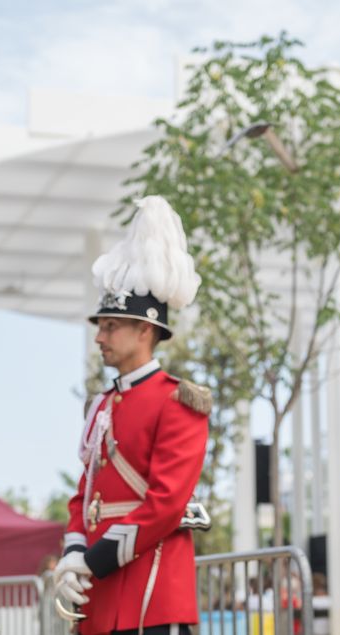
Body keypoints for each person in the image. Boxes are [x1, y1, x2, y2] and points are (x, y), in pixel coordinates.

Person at [53, 196, 210, 635]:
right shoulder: (101, 404)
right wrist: (72, 550)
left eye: (110, 326)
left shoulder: (179, 400)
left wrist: (92, 559)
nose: (99, 336)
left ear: (145, 330)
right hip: (97, 588)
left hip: (151, 589)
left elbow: (166, 502)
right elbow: (84, 492)